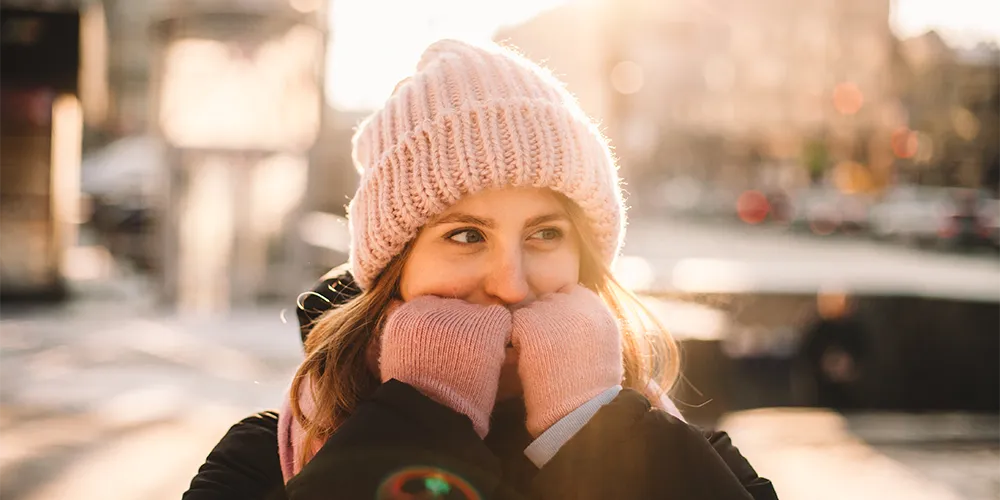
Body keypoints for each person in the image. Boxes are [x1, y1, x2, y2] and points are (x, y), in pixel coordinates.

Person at [184, 39, 777, 500]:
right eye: (465, 235)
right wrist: (420, 421)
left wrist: (595, 433)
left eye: (546, 234)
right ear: (396, 266)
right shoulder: (260, 458)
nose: (511, 283)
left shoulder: (691, 453)